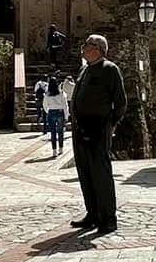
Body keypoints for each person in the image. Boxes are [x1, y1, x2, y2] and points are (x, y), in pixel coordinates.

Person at [70, 35, 127, 233]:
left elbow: (120, 102)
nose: (83, 47)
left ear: (98, 49)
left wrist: (111, 124)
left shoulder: (109, 70)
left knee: (101, 174)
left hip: (99, 128)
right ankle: (92, 213)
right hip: (80, 129)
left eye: (87, 45)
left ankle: (108, 217)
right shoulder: (84, 70)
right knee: (85, 173)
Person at [40, 72, 70, 156]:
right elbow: (65, 105)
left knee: (53, 132)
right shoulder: (61, 94)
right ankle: (60, 148)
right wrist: (66, 115)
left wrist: (48, 111)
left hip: (51, 112)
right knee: (60, 132)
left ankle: (54, 150)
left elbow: (44, 105)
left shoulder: (47, 94)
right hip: (60, 112)